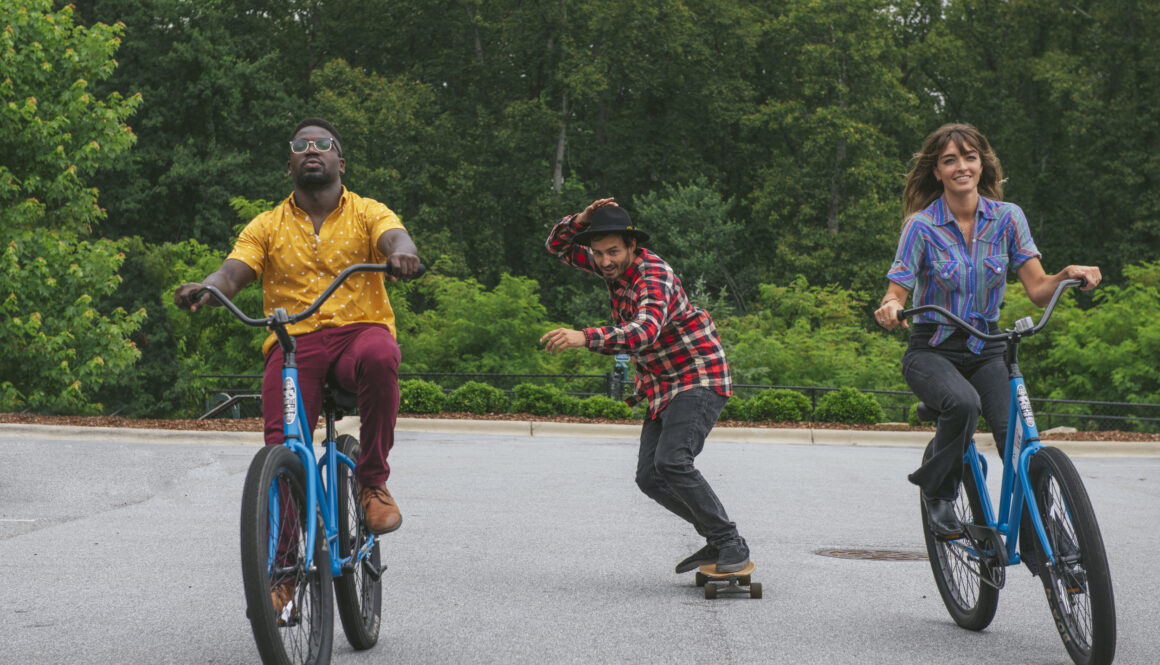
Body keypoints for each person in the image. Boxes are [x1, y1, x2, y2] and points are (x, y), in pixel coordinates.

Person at [175, 118, 421, 539]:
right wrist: (207, 289)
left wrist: (403, 254)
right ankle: (284, 574)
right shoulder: (266, 225)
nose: (312, 149)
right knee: (284, 452)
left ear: (339, 162)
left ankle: (372, 482)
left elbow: (396, 238)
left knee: (382, 354)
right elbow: (232, 273)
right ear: (289, 166)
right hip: (293, 346)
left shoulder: (367, 211)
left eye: (322, 144)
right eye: (300, 145)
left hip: (358, 333)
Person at [874, 123, 1101, 537]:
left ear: (982, 164)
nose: (961, 166)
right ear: (938, 171)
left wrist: (1067, 274)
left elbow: (1037, 289)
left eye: (969, 157)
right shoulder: (921, 227)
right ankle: (939, 494)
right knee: (962, 404)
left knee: (1018, 440)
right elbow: (897, 290)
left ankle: (1044, 538)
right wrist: (891, 307)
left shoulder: (1008, 218)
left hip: (988, 349)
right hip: (932, 349)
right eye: (950, 160)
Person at [541, 198, 750, 573]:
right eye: (598, 253)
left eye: (613, 252)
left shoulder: (653, 275)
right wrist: (581, 220)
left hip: (698, 374)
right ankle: (717, 540)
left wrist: (583, 337)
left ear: (632, 246)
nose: (605, 261)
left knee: (672, 461)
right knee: (649, 477)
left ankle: (728, 540)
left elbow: (643, 332)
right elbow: (557, 247)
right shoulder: (610, 265)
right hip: (660, 384)